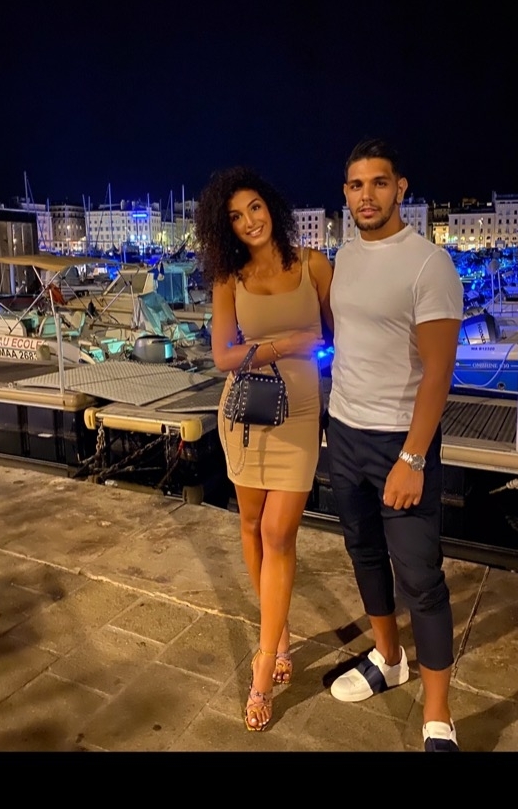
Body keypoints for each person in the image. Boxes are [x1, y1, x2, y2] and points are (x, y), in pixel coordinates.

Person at [326, 138, 463, 752]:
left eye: (379, 183)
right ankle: (388, 658)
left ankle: (438, 716)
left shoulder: (429, 265)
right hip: (344, 431)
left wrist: (412, 457)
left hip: (400, 442)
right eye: (356, 185)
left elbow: (438, 372)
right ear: (346, 193)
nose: (367, 195)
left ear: (400, 188)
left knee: (421, 579)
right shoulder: (345, 255)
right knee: (363, 552)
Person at [196, 165, 333, 732]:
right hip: (245, 416)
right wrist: (288, 343)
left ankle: (262, 662)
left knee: (278, 532)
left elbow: (335, 333)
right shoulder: (229, 278)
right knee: (251, 526)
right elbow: (222, 356)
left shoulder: (313, 265)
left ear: (271, 206)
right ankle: (278, 635)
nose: (249, 221)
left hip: (299, 416)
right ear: (225, 227)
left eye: (254, 207)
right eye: (235, 216)